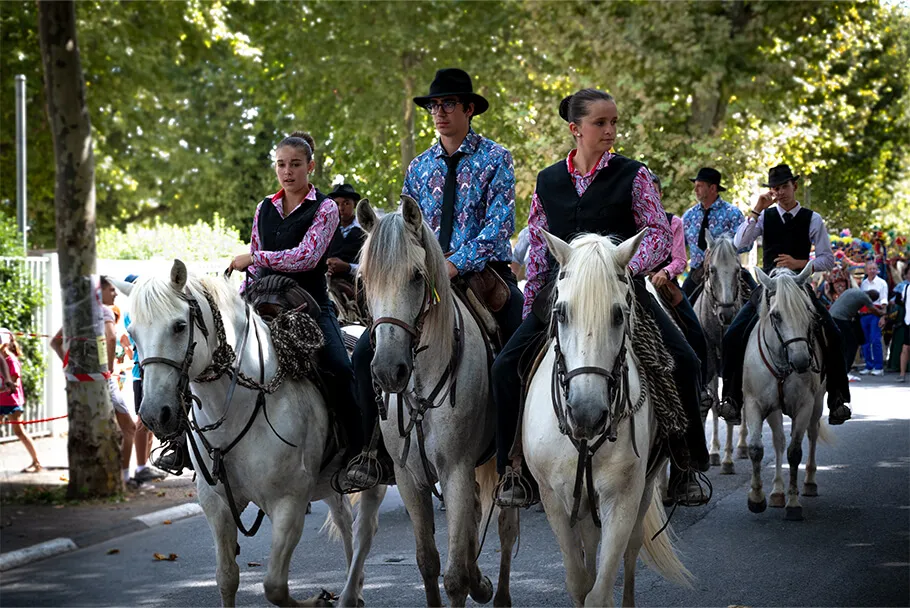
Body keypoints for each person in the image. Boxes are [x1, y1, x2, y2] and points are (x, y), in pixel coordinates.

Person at [492, 88, 710, 508]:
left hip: (620, 293)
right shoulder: (548, 180)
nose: (610, 130)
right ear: (576, 130)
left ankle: (687, 465)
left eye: (613, 122)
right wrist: (533, 301)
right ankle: (513, 471)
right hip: (564, 298)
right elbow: (539, 246)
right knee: (504, 368)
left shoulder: (635, 174)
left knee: (686, 361)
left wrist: (619, 268)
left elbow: (659, 234)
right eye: (600, 123)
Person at [345, 67, 522, 489]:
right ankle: (372, 451)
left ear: (469, 109)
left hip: (479, 274)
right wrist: (422, 265)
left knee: (518, 348)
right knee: (365, 351)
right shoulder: (419, 168)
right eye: (434, 106)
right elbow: (407, 230)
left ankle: (516, 460)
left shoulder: (496, 158)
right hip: (422, 276)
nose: (439, 113)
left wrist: (455, 263)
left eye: (447, 105)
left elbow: (499, 227)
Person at [227, 131, 364, 473]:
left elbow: (306, 257)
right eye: (281, 165)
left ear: (310, 167)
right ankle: (201, 448)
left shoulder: (326, 207)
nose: (287, 172)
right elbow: (255, 267)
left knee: (341, 365)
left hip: (311, 303)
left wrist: (255, 256)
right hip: (264, 297)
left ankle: (361, 452)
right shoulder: (264, 207)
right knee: (220, 354)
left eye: (295, 164)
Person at [718, 164, 852, 425]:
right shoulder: (765, 217)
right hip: (769, 288)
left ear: (795, 186)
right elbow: (739, 244)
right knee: (733, 334)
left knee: (834, 334)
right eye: (775, 188)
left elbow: (827, 260)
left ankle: (837, 399)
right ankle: (732, 399)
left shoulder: (812, 219)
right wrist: (756, 209)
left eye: (784, 187)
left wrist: (799, 262)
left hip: (799, 287)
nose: (779, 192)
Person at [52, 277, 137, 485]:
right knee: (128, 428)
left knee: (95, 430)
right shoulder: (105, 311)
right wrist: (107, 369)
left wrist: (70, 366)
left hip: (80, 381)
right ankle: (123, 477)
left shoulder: (78, 314)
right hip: (103, 380)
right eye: (111, 290)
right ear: (100, 292)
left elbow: (56, 342)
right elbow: (109, 337)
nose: (115, 294)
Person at [121, 274, 169, 484]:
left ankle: (146, 466)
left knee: (149, 423)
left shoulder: (140, 312)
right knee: (143, 420)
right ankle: (141, 467)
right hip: (142, 373)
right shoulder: (133, 313)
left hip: (147, 371)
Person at [681, 167, 755, 300]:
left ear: (713, 188)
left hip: (729, 271)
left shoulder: (733, 213)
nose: (695, 190)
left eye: (700, 186)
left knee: (757, 299)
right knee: (678, 308)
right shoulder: (688, 216)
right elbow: (679, 245)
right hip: (697, 273)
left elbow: (747, 245)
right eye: (695, 186)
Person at [0, 328, 43, 473]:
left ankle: (37, 462)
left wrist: (3, 389)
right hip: (1, 400)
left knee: (19, 432)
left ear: (4, 344)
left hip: (12, 401)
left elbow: (15, 383)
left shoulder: (11, 360)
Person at [830, 287, 884, 381]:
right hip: (841, 319)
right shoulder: (865, 297)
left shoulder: (853, 290)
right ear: (872, 298)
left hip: (831, 316)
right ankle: (845, 372)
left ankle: (838, 370)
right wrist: (883, 314)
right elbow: (873, 310)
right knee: (852, 345)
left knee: (841, 344)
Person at [325, 183, 367, 283]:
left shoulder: (365, 232)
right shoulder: (325, 231)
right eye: (336, 204)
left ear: (355, 205)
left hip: (358, 285)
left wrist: (348, 267)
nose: (341, 208)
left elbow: (373, 267)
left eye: (346, 203)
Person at [858, 261, 889, 376]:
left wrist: (883, 317)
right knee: (865, 341)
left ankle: (878, 367)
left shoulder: (882, 283)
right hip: (864, 315)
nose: (872, 271)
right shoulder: (864, 283)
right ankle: (868, 365)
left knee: (875, 340)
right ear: (866, 270)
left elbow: (884, 301)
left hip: (876, 314)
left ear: (877, 270)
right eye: (870, 269)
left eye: (874, 269)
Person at [894, 264, 910, 382]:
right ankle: (902, 374)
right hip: (908, 322)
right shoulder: (905, 288)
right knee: (905, 348)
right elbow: (899, 302)